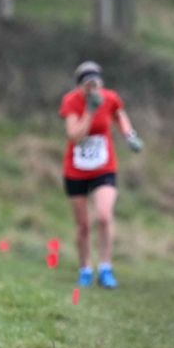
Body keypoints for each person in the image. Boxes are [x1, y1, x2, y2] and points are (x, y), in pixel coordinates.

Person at [59, 59, 142, 288]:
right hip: (76, 169)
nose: (93, 89)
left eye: (96, 83)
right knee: (83, 225)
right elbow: (74, 136)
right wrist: (89, 110)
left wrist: (130, 135)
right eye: (88, 85)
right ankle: (85, 268)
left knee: (104, 216)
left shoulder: (110, 98)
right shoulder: (71, 101)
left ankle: (106, 268)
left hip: (104, 167)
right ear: (80, 86)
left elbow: (120, 115)